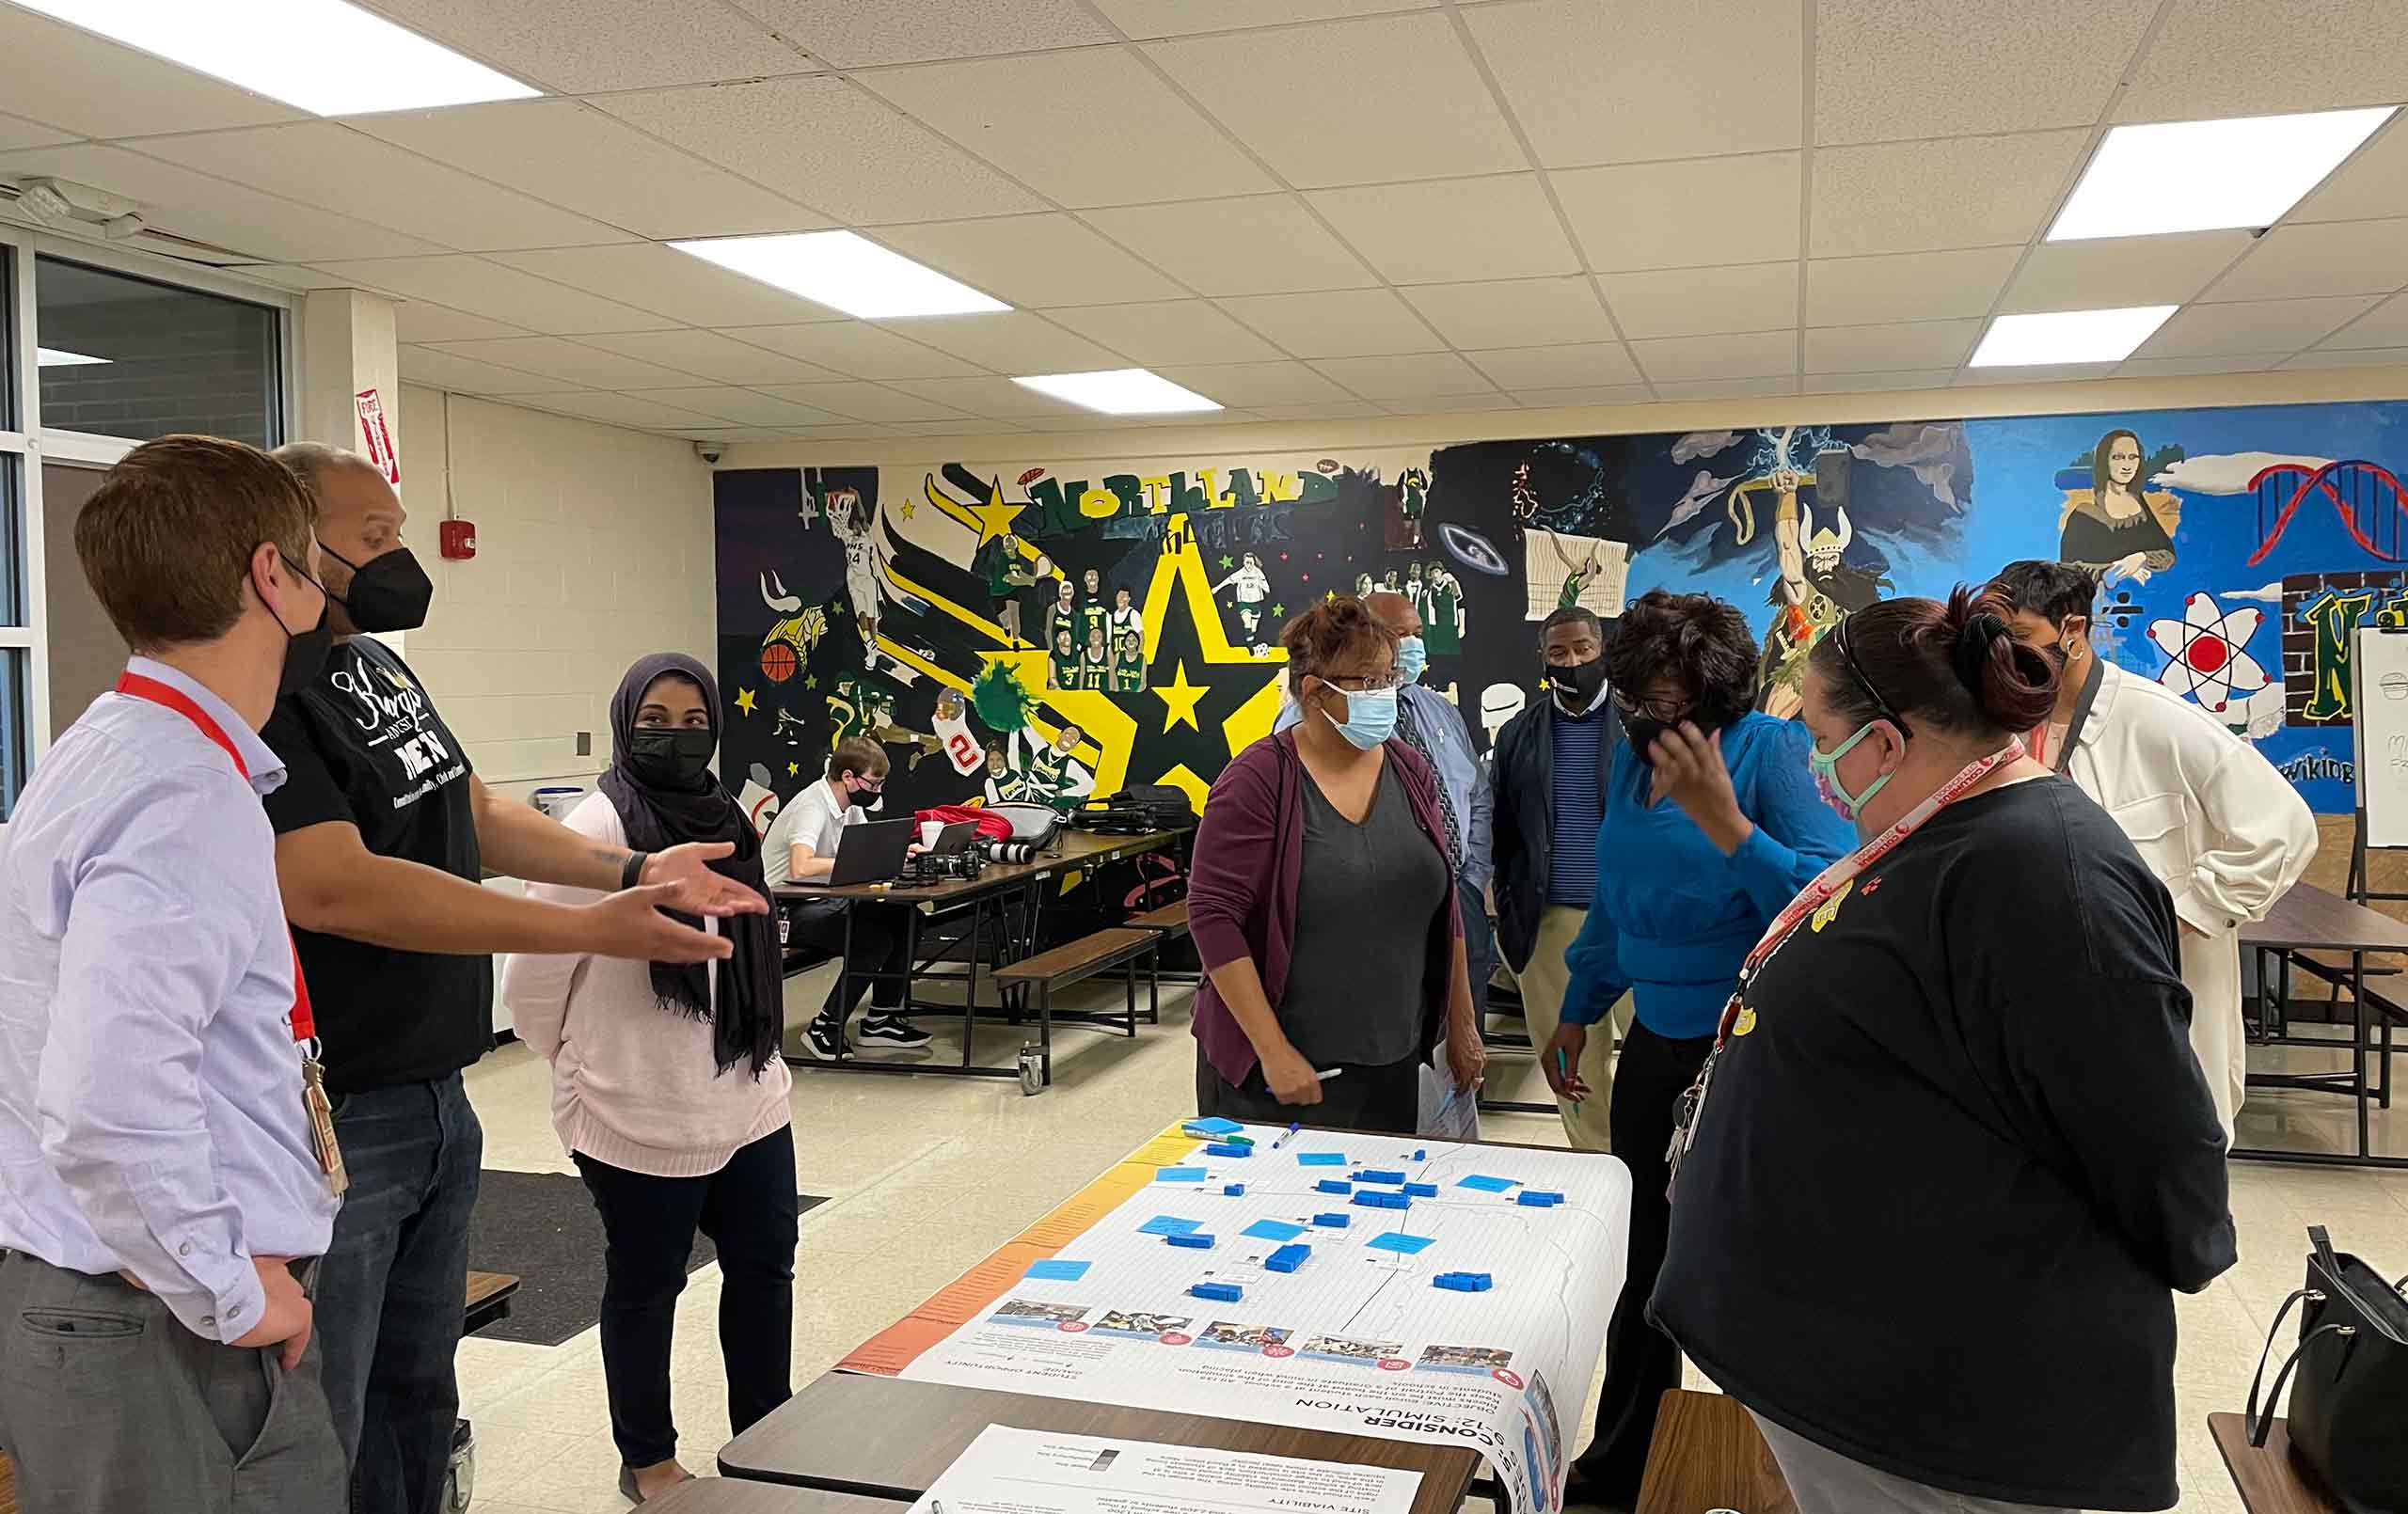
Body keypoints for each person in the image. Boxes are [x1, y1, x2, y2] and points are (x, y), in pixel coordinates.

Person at [1654, 590, 2235, 1514]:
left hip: (1939, 1408)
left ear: (1882, 742)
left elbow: (2160, 1144)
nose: (1806, 756)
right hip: (1849, 1362)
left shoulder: (2042, 870)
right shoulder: (1935, 835)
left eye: (1813, 729)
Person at [260, 443, 761, 1514]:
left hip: (437, 1094)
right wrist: (608, 925)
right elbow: (336, 886)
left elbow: (478, 815)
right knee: (325, 1411)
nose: (402, 554)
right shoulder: (270, 695)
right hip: (342, 1110)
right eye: (374, 536)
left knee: (417, 1391)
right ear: (287, 550)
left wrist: (633, 868)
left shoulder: (376, 668)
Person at [0, 436, 345, 1512]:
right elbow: (108, 1101)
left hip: (130, 1294)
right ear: (270, 578)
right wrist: (233, 1288)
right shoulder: (183, 788)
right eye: (317, 561)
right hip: (160, 1318)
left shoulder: (109, 747)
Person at [1542, 591, 1854, 1508]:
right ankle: (1624, 1465)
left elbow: (1833, 900)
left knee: (1755, 1274)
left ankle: (1784, 1472)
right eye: (1641, 701)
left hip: (1748, 1052)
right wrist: (1578, 1004)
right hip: (1653, 1044)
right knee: (1645, 1267)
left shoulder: (1773, 751)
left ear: (1721, 692)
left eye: (1675, 703)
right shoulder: (1630, 764)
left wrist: (1732, 828)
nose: (1656, 721)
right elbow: (1612, 895)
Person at [503, 654, 797, 1505]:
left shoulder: (729, 818)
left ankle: (767, 1430)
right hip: (634, 1106)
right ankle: (648, 1461)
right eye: (655, 721)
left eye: (693, 719)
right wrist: (580, 1059)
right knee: (646, 1283)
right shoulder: (599, 825)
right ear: (626, 721)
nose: (676, 736)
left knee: (764, 1265)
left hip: (744, 1094)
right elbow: (533, 974)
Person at [1989, 560, 2316, 1145]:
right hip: (2058, 1002)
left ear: (2073, 629)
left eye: (2021, 639)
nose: (2008, 656)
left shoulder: (2156, 719)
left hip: (2163, 1002)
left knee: (2175, 1171)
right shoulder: (2012, 729)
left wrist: (2178, 917)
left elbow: (2285, 827)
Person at [1187, 598, 1484, 1133]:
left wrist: (1460, 1023)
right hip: (1282, 1076)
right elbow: (1212, 917)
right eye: (1366, 682)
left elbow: (1444, 908)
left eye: (1388, 678)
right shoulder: (1259, 779)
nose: (1385, 694)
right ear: (1314, 691)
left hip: (1391, 1063)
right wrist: (1273, 1050)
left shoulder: (1408, 768)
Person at [1276, 591, 1495, 1041]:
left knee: (1460, 1026)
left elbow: (1476, 792)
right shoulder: (1302, 726)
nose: (1412, 646)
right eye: (1400, 636)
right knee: (1397, 1031)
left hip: (1456, 892)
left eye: (1418, 634)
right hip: (1374, 911)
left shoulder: (1440, 711)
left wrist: (1471, 875)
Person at [1488, 607, 1622, 1149]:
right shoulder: (1519, 735)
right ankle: (1600, 1167)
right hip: (1552, 922)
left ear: (1602, 649)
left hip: (1637, 916)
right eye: (1558, 653)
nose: (1573, 662)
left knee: (1663, 1055)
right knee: (1574, 1067)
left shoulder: (1644, 724)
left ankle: (1665, 1179)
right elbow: (1501, 830)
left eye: (1583, 650)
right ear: (1542, 660)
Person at [764, 737, 929, 1058]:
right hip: (784, 909)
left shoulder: (850, 808)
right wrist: (859, 863)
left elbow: (865, 853)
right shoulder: (812, 806)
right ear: (849, 778)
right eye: (874, 783)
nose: (878, 792)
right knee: (871, 937)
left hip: (822, 901)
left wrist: (899, 855)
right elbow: (801, 866)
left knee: (908, 918)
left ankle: (881, 1019)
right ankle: (826, 1026)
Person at [2060, 427, 2178, 585]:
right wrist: (2111, 572)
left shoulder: (2140, 504)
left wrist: (2140, 558)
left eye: (2133, 457)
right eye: (2118, 457)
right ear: (2104, 460)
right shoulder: (2085, 511)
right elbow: (2067, 571)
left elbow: (2167, 553)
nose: (2127, 465)